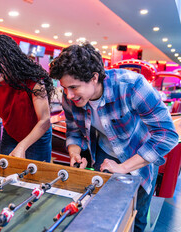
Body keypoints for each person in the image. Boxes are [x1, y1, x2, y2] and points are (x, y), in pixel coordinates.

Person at [49, 42, 179, 232]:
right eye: (64, 88)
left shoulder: (132, 85)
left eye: (74, 87)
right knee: (104, 210)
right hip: (104, 155)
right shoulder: (70, 97)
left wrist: (123, 167)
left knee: (137, 216)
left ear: (94, 77)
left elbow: (167, 135)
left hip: (139, 157)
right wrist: (74, 152)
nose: (68, 95)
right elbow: (74, 131)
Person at [0, 34, 54, 162]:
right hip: (11, 134)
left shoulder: (33, 82)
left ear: (10, 58)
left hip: (37, 136)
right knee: (7, 174)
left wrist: (22, 146)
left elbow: (45, 120)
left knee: (35, 179)